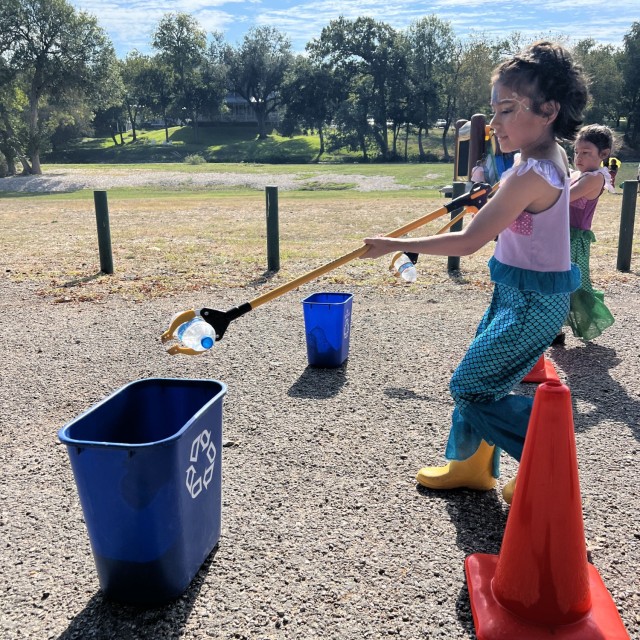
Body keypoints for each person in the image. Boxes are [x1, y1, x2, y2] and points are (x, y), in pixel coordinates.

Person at [361, 41, 587, 504]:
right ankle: (470, 465)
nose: (495, 123)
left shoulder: (532, 172)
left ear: (547, 110)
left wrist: (394, 243)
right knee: (485, 376)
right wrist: (493, 192)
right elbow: (515, 202)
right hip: (517, 293)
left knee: (471, 385)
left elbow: (467, 242)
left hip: (530, 302)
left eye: (507, 110)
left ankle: (547, 465)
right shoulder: (537, 157)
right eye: (493, 110)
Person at [560, 124, 615, 342]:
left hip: (574, 239)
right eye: (576, 152)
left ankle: (587, 322)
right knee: (560, 284)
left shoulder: (594, 178)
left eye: (586, 153)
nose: (578, 157)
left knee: (571, 285)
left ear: (603, 154)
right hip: (562, 235)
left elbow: (561, 198)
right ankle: (555, 330)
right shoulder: (578, 174)